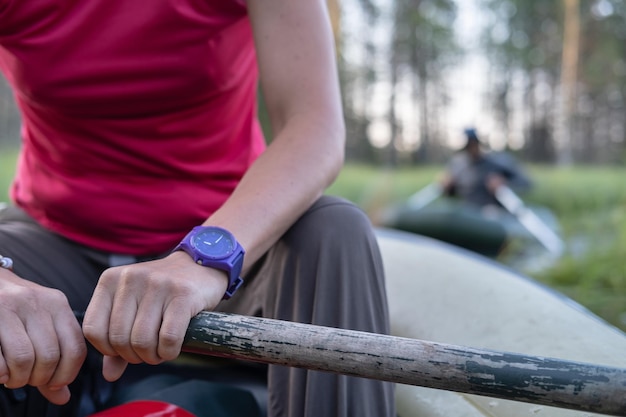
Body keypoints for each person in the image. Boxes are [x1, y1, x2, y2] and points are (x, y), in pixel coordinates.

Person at [0, 1, 396, 416]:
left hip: (233, 239)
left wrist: (207, 257)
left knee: (334, 229)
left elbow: (314, 126)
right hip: (55, 238)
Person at [440, 128, 532, 208]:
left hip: (492, 212)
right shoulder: (458, 165)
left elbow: (525, 183)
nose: (471, 149)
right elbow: (453, 193)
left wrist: (504, 184)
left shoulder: (497, 163)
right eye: (468, 147)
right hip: (468, 212)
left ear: (479, 144)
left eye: (474, 144)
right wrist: (448, 188)